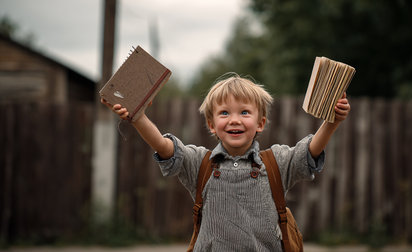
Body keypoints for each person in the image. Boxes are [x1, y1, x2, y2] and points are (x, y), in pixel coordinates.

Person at [101, 73, 350, 251]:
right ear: (211, 125)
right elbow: (164, 147)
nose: (234, 120)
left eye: (244, 112)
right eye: (224, 113)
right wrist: (138, 118)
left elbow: (310, 151)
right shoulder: (200, 163)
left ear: (260, 123)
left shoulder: (277, 163)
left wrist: (333, 122)